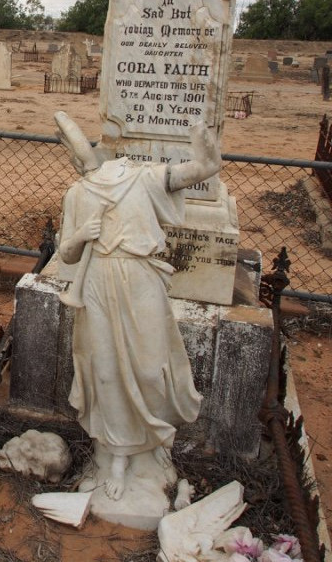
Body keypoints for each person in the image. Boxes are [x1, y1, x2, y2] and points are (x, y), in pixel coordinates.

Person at [54, 111, 221, 501]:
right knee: (106, 371)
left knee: (149, 366)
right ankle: (117, 454)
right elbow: (66, 252)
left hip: (141, 279)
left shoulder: (143, 177)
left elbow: (205, 167)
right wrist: (80, 234)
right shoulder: (77, 194)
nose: (85, 158)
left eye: (87, 151)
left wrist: (202, 135)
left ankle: (152, 440)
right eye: (79, 155)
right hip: (97, 282)